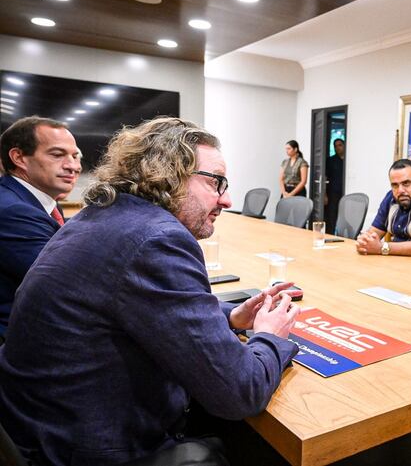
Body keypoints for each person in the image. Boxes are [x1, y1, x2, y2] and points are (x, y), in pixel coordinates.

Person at [0, 117, 301, 466]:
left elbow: (132, 302)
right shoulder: (157, 239)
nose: (228, 199)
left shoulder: (99, 216)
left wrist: (231, 316)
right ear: (168, 173)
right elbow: (239, 393)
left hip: (40, 429)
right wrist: (270, 336)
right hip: (87, 448)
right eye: (216, 182)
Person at [0, 116, 80, 337]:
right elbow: (69, 284)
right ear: (19, 158)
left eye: (75, 156)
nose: (73, 166)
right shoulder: (13, 211)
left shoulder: (43, 202)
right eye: (57, 155)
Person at [324, 138, 345, 231]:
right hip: (332, 193)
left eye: (340, 145)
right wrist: (324, 194)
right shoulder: (330, 161)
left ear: (344, 146)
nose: (338, 148)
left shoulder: (348, 160)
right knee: (332, 215)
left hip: (344, 192)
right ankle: (330, 234)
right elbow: (324, 177)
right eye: (335, 146)